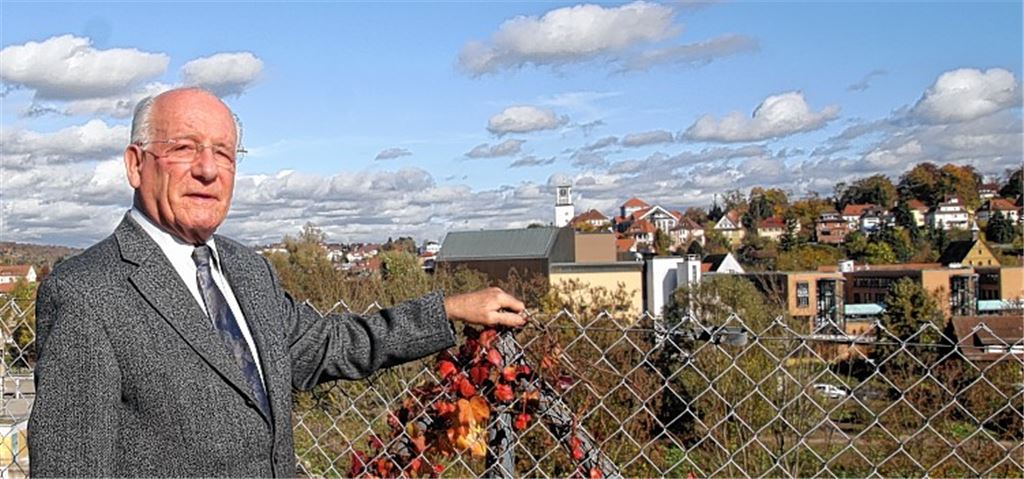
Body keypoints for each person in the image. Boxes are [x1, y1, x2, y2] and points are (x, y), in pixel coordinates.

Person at [28, 87, 527, 477]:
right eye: (184, 148)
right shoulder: (87, 292)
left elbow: (330, 345)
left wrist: (447, 311)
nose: (208, 169)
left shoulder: (248, 270)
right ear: (136, 165)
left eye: (224, 153)